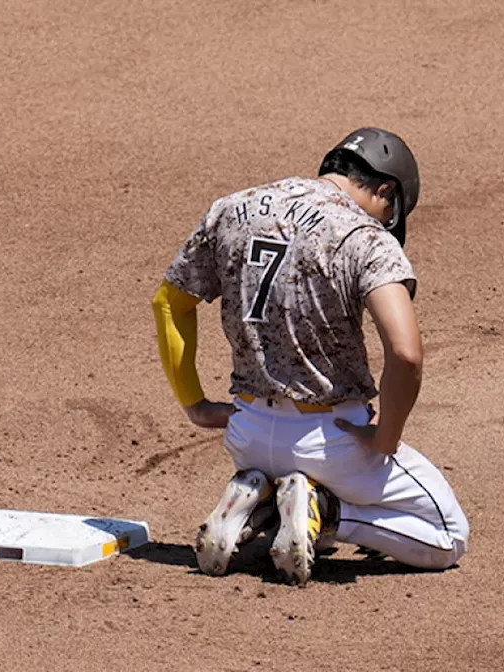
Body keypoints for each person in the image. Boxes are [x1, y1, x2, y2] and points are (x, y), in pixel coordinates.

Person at [151, 128, 470, 586]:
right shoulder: (365, 237)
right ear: (385, 189)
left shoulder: (232, 209)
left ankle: (260, 501)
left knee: (305, 524)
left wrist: (195, 404)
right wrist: (386, 437)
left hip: (247, 434)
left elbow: (170, 302)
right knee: (447, 533)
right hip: (331, 441)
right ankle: (327, 508)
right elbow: (405, 352)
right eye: (391, 210)